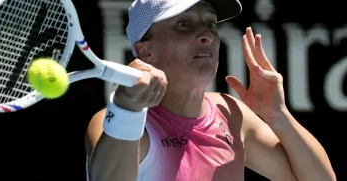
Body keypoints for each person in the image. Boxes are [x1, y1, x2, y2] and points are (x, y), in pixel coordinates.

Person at [85, 0, 336, 180]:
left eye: (211, 24)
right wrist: (127, 109)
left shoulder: (230, 114)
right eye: (184, 24)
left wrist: (278, 115)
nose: (206, 33)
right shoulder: (117, 122)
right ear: (145, 51)